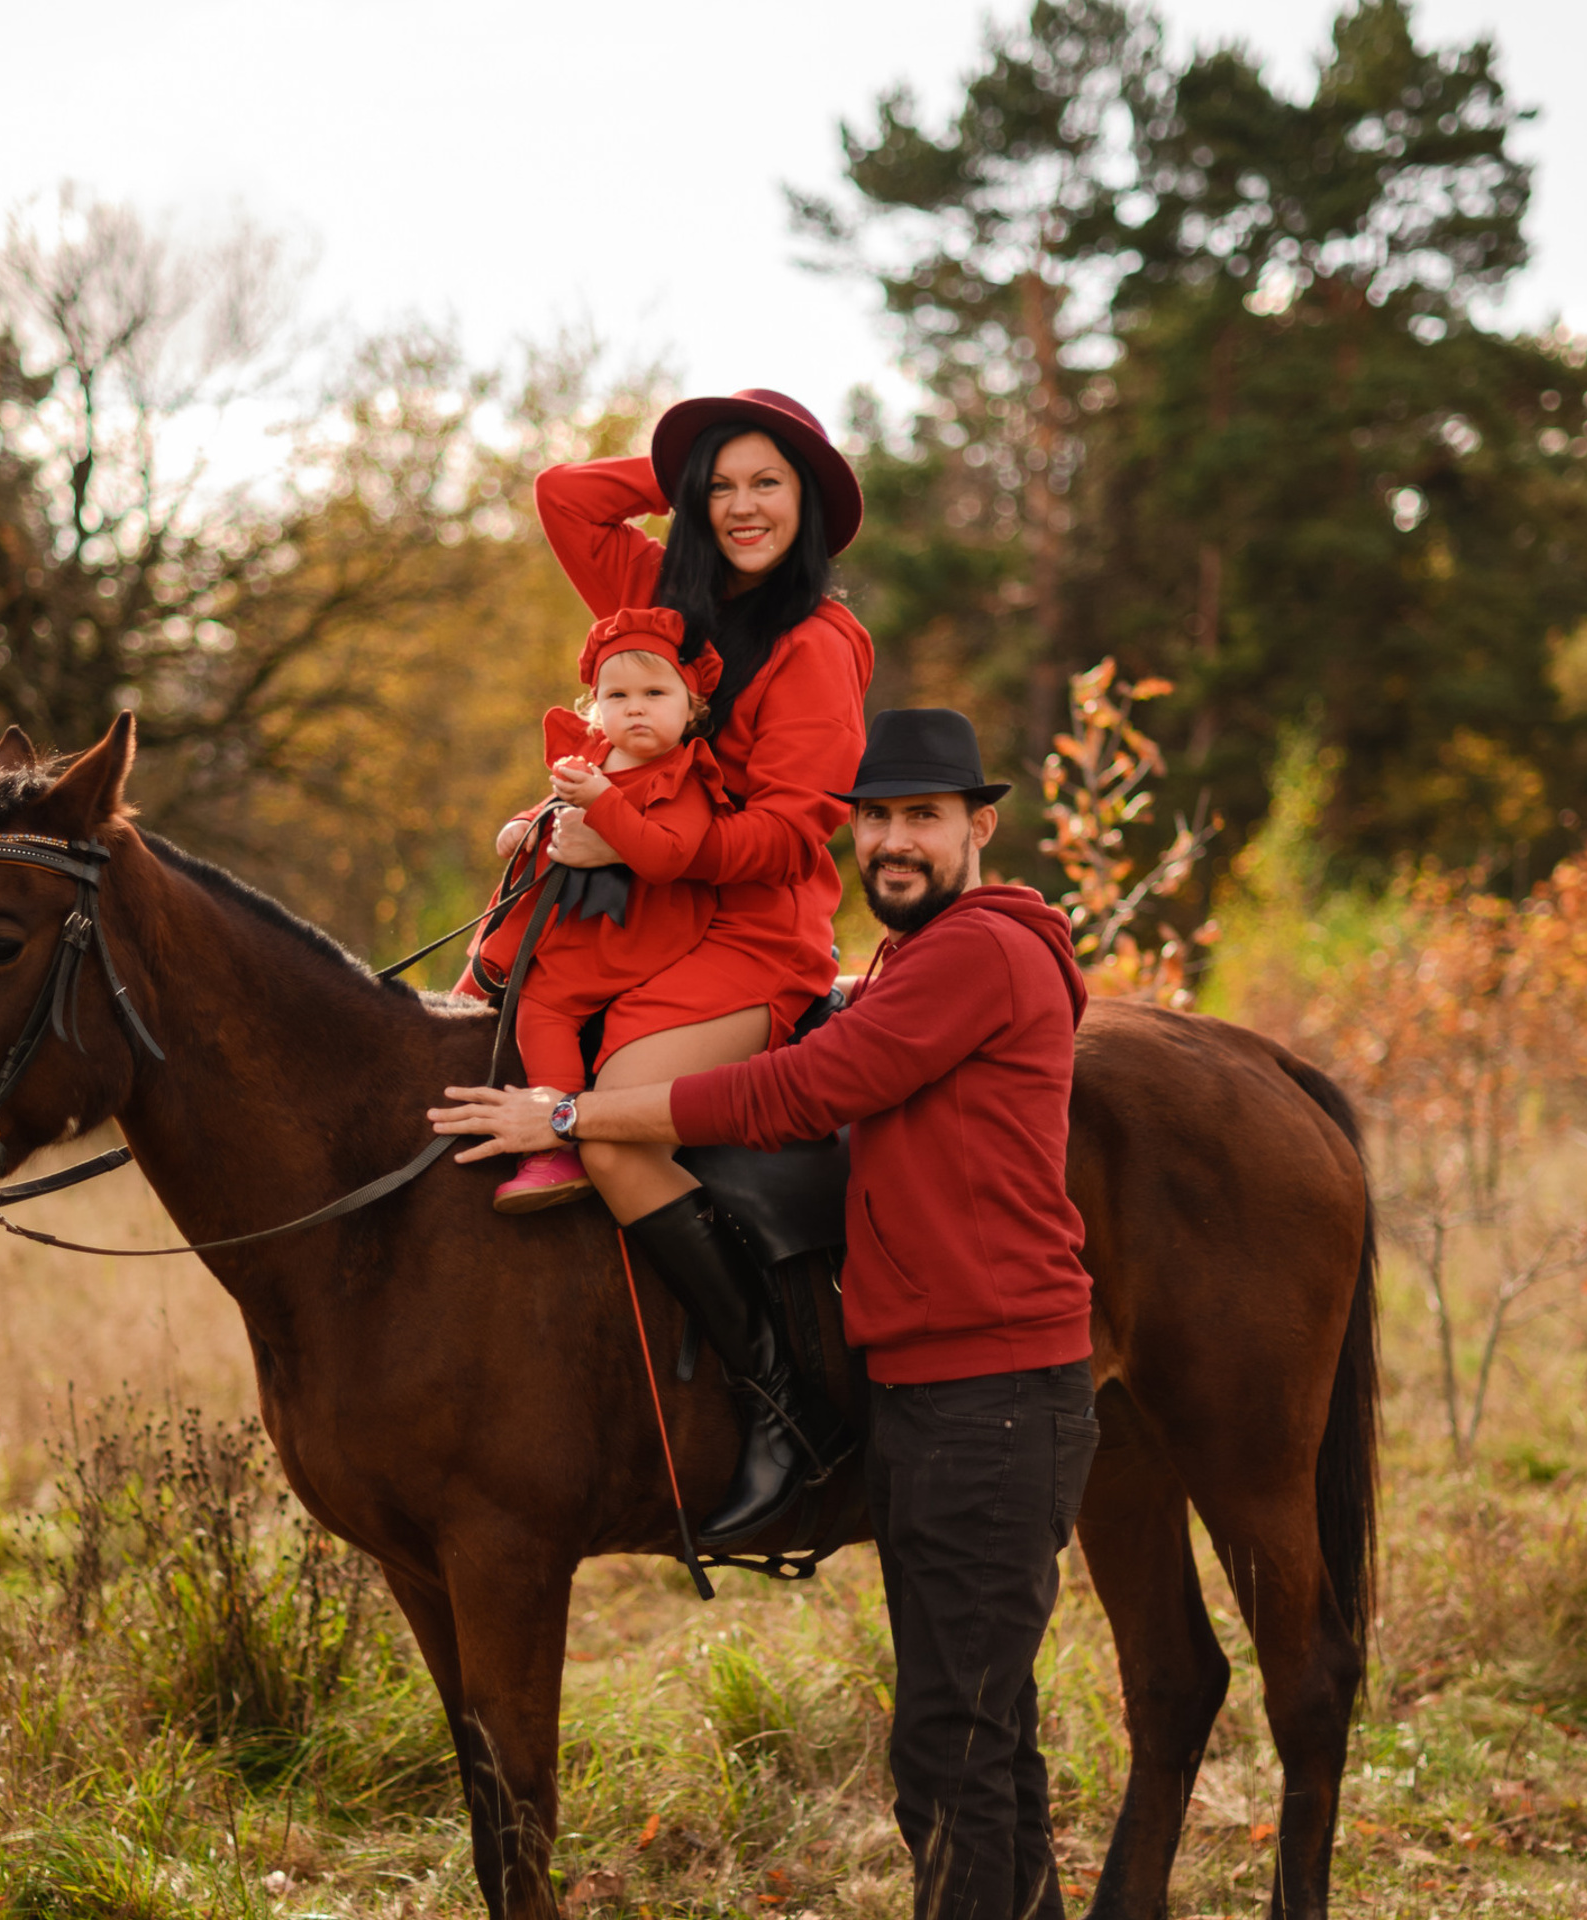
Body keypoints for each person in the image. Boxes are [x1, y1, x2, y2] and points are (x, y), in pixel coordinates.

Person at [431, 708, 1101, 1920]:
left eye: (924, 819)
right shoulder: (921, 956)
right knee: (982, 1743)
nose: (893, 843)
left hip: (989, 1400)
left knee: (949, 1761)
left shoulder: (974, 955)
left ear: (980, 826)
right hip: (934, 1391)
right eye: (877, 820)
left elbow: (803, 1091)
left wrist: (571, 1119)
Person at [501, 387, 874, 1548]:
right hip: (621, 919)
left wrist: (633, 833)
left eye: (769, 483)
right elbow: (563, 496)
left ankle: (785, 1404)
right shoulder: (657, 599)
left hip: (747, 938)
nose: (743, 507)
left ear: (807, 499)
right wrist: (683, 469)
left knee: (609, 1123)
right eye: (723, 485)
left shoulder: (819, 646)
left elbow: (794, 831)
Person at [474, 608, 729, 1213]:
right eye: (618, 695)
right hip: (578, 917)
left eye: (654, 693)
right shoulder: (595, 759)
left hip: (639, 928)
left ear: (690, 708)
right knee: (488, 985)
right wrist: (522, 828)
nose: (635, 708)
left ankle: (556, 1144)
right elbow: (547, 804)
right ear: (596, 707)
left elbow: (668, 857)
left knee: (544, 1005)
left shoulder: (684, 775)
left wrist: (603, 802)